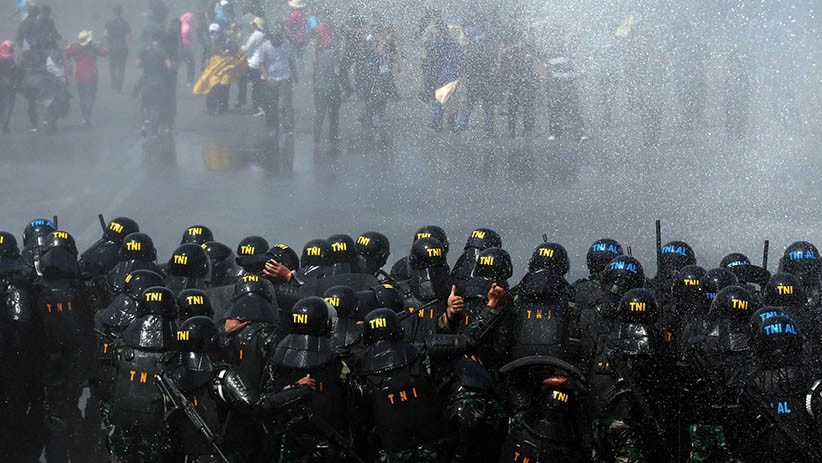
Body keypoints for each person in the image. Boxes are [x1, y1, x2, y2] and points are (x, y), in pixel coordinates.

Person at [258, 27, 297, 136]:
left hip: (285, 78)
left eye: (279, 40)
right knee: (270, 105)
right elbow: (261, 64)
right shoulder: (265, 47)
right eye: (275, 40)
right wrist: (267, 78)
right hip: (270, 79)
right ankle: (272, 127)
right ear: (271, 39)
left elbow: (291, 60)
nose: (277, 43)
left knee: (286, 105)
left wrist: (295, 75)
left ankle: (288, 128)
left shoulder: (287, 44)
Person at [64, 31, 108, 127]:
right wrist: (100, 46)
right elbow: (105, 52)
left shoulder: (76, 49)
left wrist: (69, 45)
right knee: (91, 97)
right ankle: (87, 115)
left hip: (80, 77)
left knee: (82, 98)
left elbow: (66, 52)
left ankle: (85, 116)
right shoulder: (94, 49)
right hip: (92, 76)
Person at [137, 31, 172, 135]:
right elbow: (169, 66)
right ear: (160, 40)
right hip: (159, 82)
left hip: (146, 82)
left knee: (145, 105)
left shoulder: (144, 51)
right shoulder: (162, 52)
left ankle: (145, 123)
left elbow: (137, 64)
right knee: (156, 106)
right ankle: (154, 129)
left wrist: (146, 64)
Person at [240, 16, 267, 114]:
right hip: (262, 63)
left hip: (253, 63)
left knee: (245, 82)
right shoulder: (264, 34)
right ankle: (261, 106)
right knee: (259, 86)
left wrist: (240, 48)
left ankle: (255, 107)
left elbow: (247, 48)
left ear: (256, 25)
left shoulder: (255, 35)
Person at [104, 5, 131, 92]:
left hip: (112, 47)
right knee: (121, 67)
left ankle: (114, 84)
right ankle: (119, 86)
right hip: (122, 47)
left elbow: (105, 35)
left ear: (113, 12)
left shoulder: (109, 22)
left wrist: (110, 41)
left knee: (112, 67)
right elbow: (128, 37)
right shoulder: (125, 23)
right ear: (121, 12)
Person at [0, 41, 22, 133]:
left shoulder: (13, 59)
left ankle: (4, 124)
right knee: (6, 106)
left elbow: (18, 72)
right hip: (7, 86)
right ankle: (4, 124)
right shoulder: (10, 59)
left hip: (9, 86)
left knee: (7, 106)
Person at [180, 12, 196, 86]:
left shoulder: (180, 25)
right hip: (186, 47)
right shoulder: (186, 27)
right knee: (190, 64)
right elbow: (187, 37)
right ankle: (190, 81)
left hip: (182, 47)